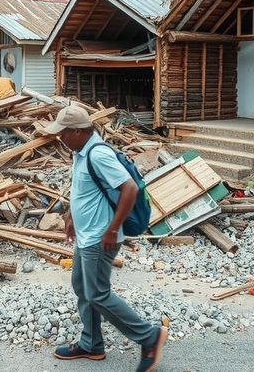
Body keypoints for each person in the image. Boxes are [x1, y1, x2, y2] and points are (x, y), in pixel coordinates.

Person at [44, 105, 166, 372]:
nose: (60, 138)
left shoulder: (98, 154)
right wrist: (71, 215)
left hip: (101, 237)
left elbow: (129, 189)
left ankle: (149, 336)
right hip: (87, 234)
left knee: (98, 294)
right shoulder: (80, 152)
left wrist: (113, 228)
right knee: (81, 286)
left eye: (63, 133)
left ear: (78, 131)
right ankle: (91, 344)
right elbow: (85, 190)